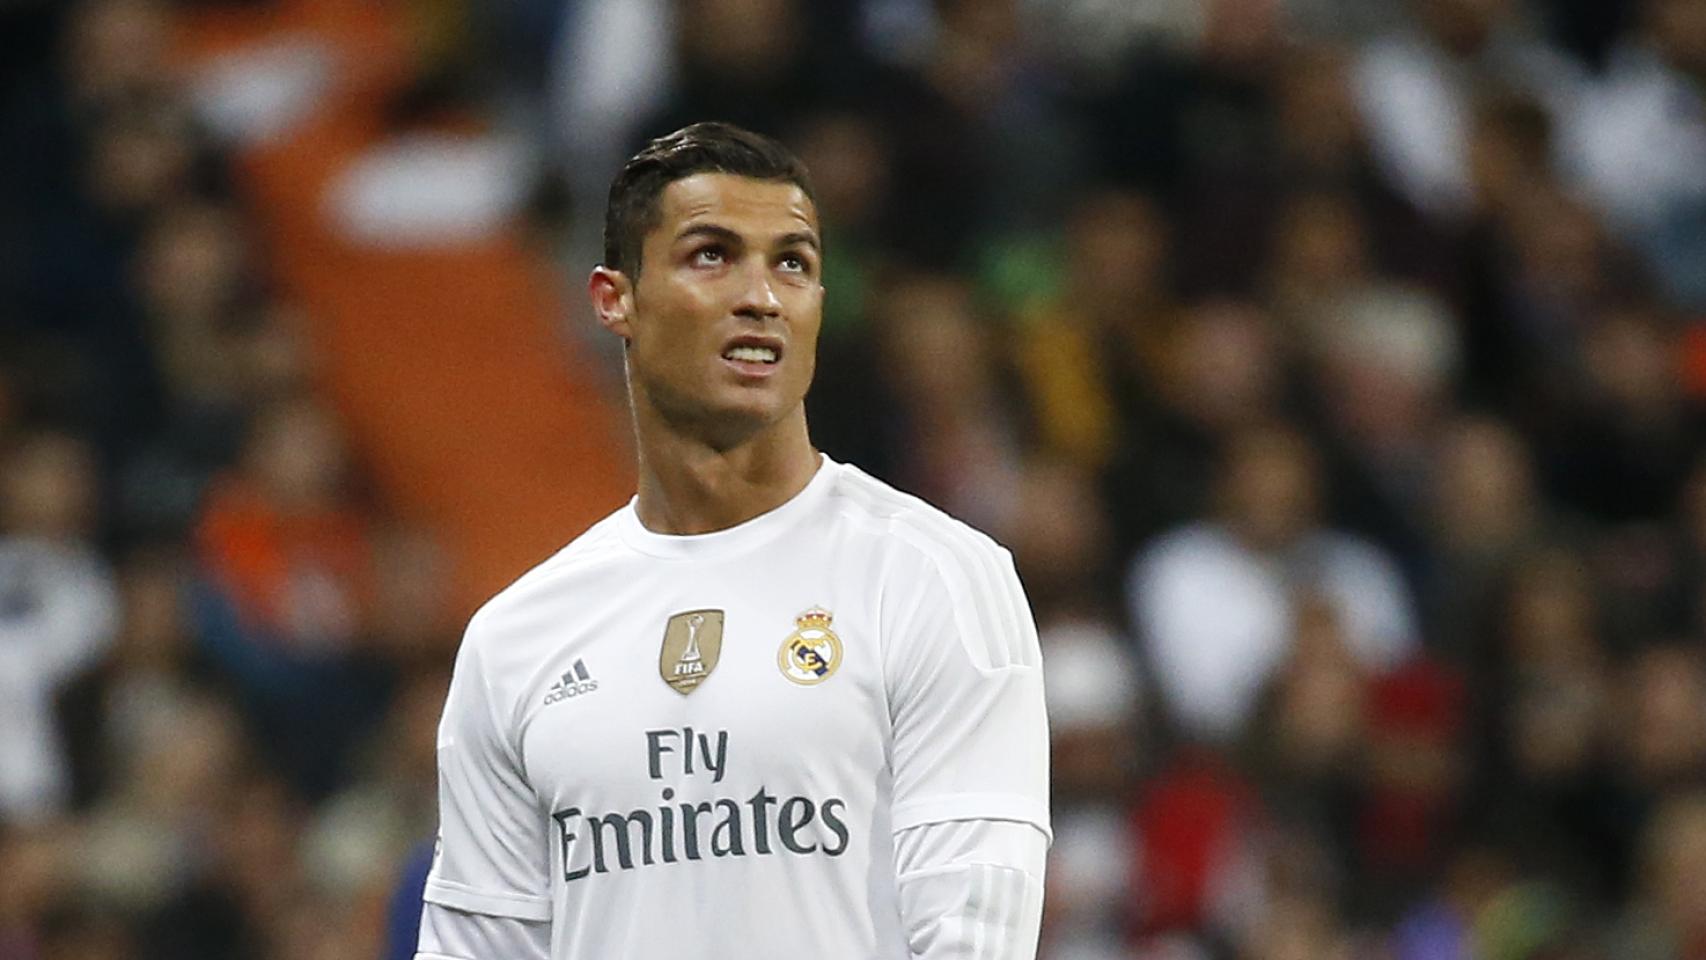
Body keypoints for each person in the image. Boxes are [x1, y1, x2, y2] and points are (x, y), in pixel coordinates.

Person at [414, 122, 1050, 959]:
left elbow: (975, 932)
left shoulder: (934, 578)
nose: (763, 295)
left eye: (794, 262)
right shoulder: (516, 640)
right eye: (712, 255)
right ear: (615, 299)